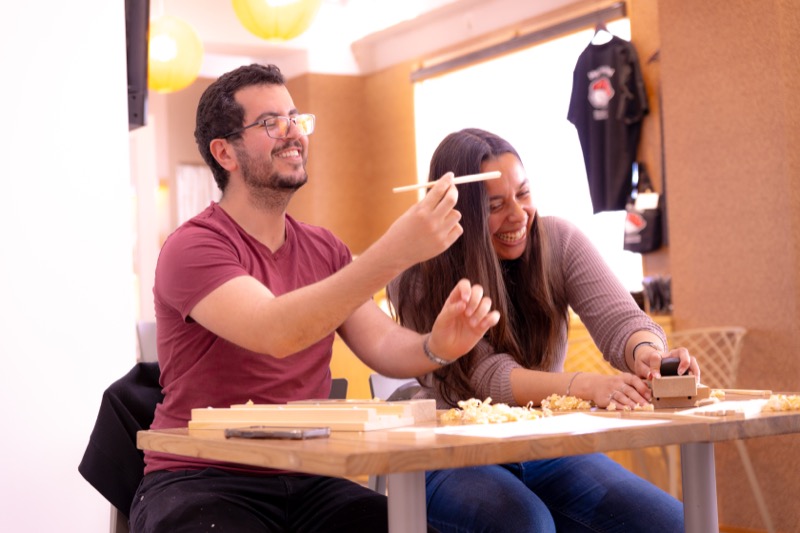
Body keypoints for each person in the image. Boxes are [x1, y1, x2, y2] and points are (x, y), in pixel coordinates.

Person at [129, 65, 500, 533]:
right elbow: (275, 331)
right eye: (271, 123)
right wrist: (395, 251)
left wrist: (437, 345)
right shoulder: (193, 246)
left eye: (295, 118)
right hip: (202, 478)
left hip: (309, 478)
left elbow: (383, 344)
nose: (293, 133)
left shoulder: (325, 248)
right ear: (224, 152)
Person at [389, 128, 700, 533]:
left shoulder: (559, 241)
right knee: (526, 524)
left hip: (543, 446)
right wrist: (584, 385)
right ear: (456, 210)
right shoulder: (420, 275)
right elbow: (486, 378)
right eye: (495, 205)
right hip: (446, 452)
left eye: (523, 193)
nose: (518, 215)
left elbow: (623, 320)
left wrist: (648, 354)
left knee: (674, 524)